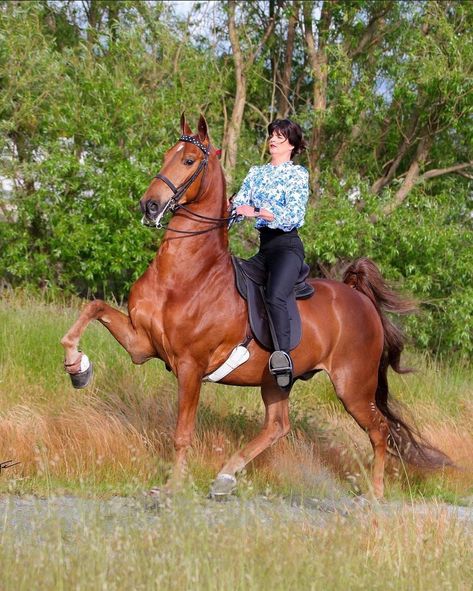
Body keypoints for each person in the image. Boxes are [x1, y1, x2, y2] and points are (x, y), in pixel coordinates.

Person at [233, 119, 309, 390]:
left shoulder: (297, 175)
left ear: (291, 144)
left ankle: (283, 358)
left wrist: (256, 212)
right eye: (271, 135)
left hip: (287, 247)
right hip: (264, 248)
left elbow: (293, 216)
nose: (273, 139)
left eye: (279, 136)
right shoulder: (256, 173)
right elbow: (237, 203)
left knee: (275, 294)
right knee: (232, 280)